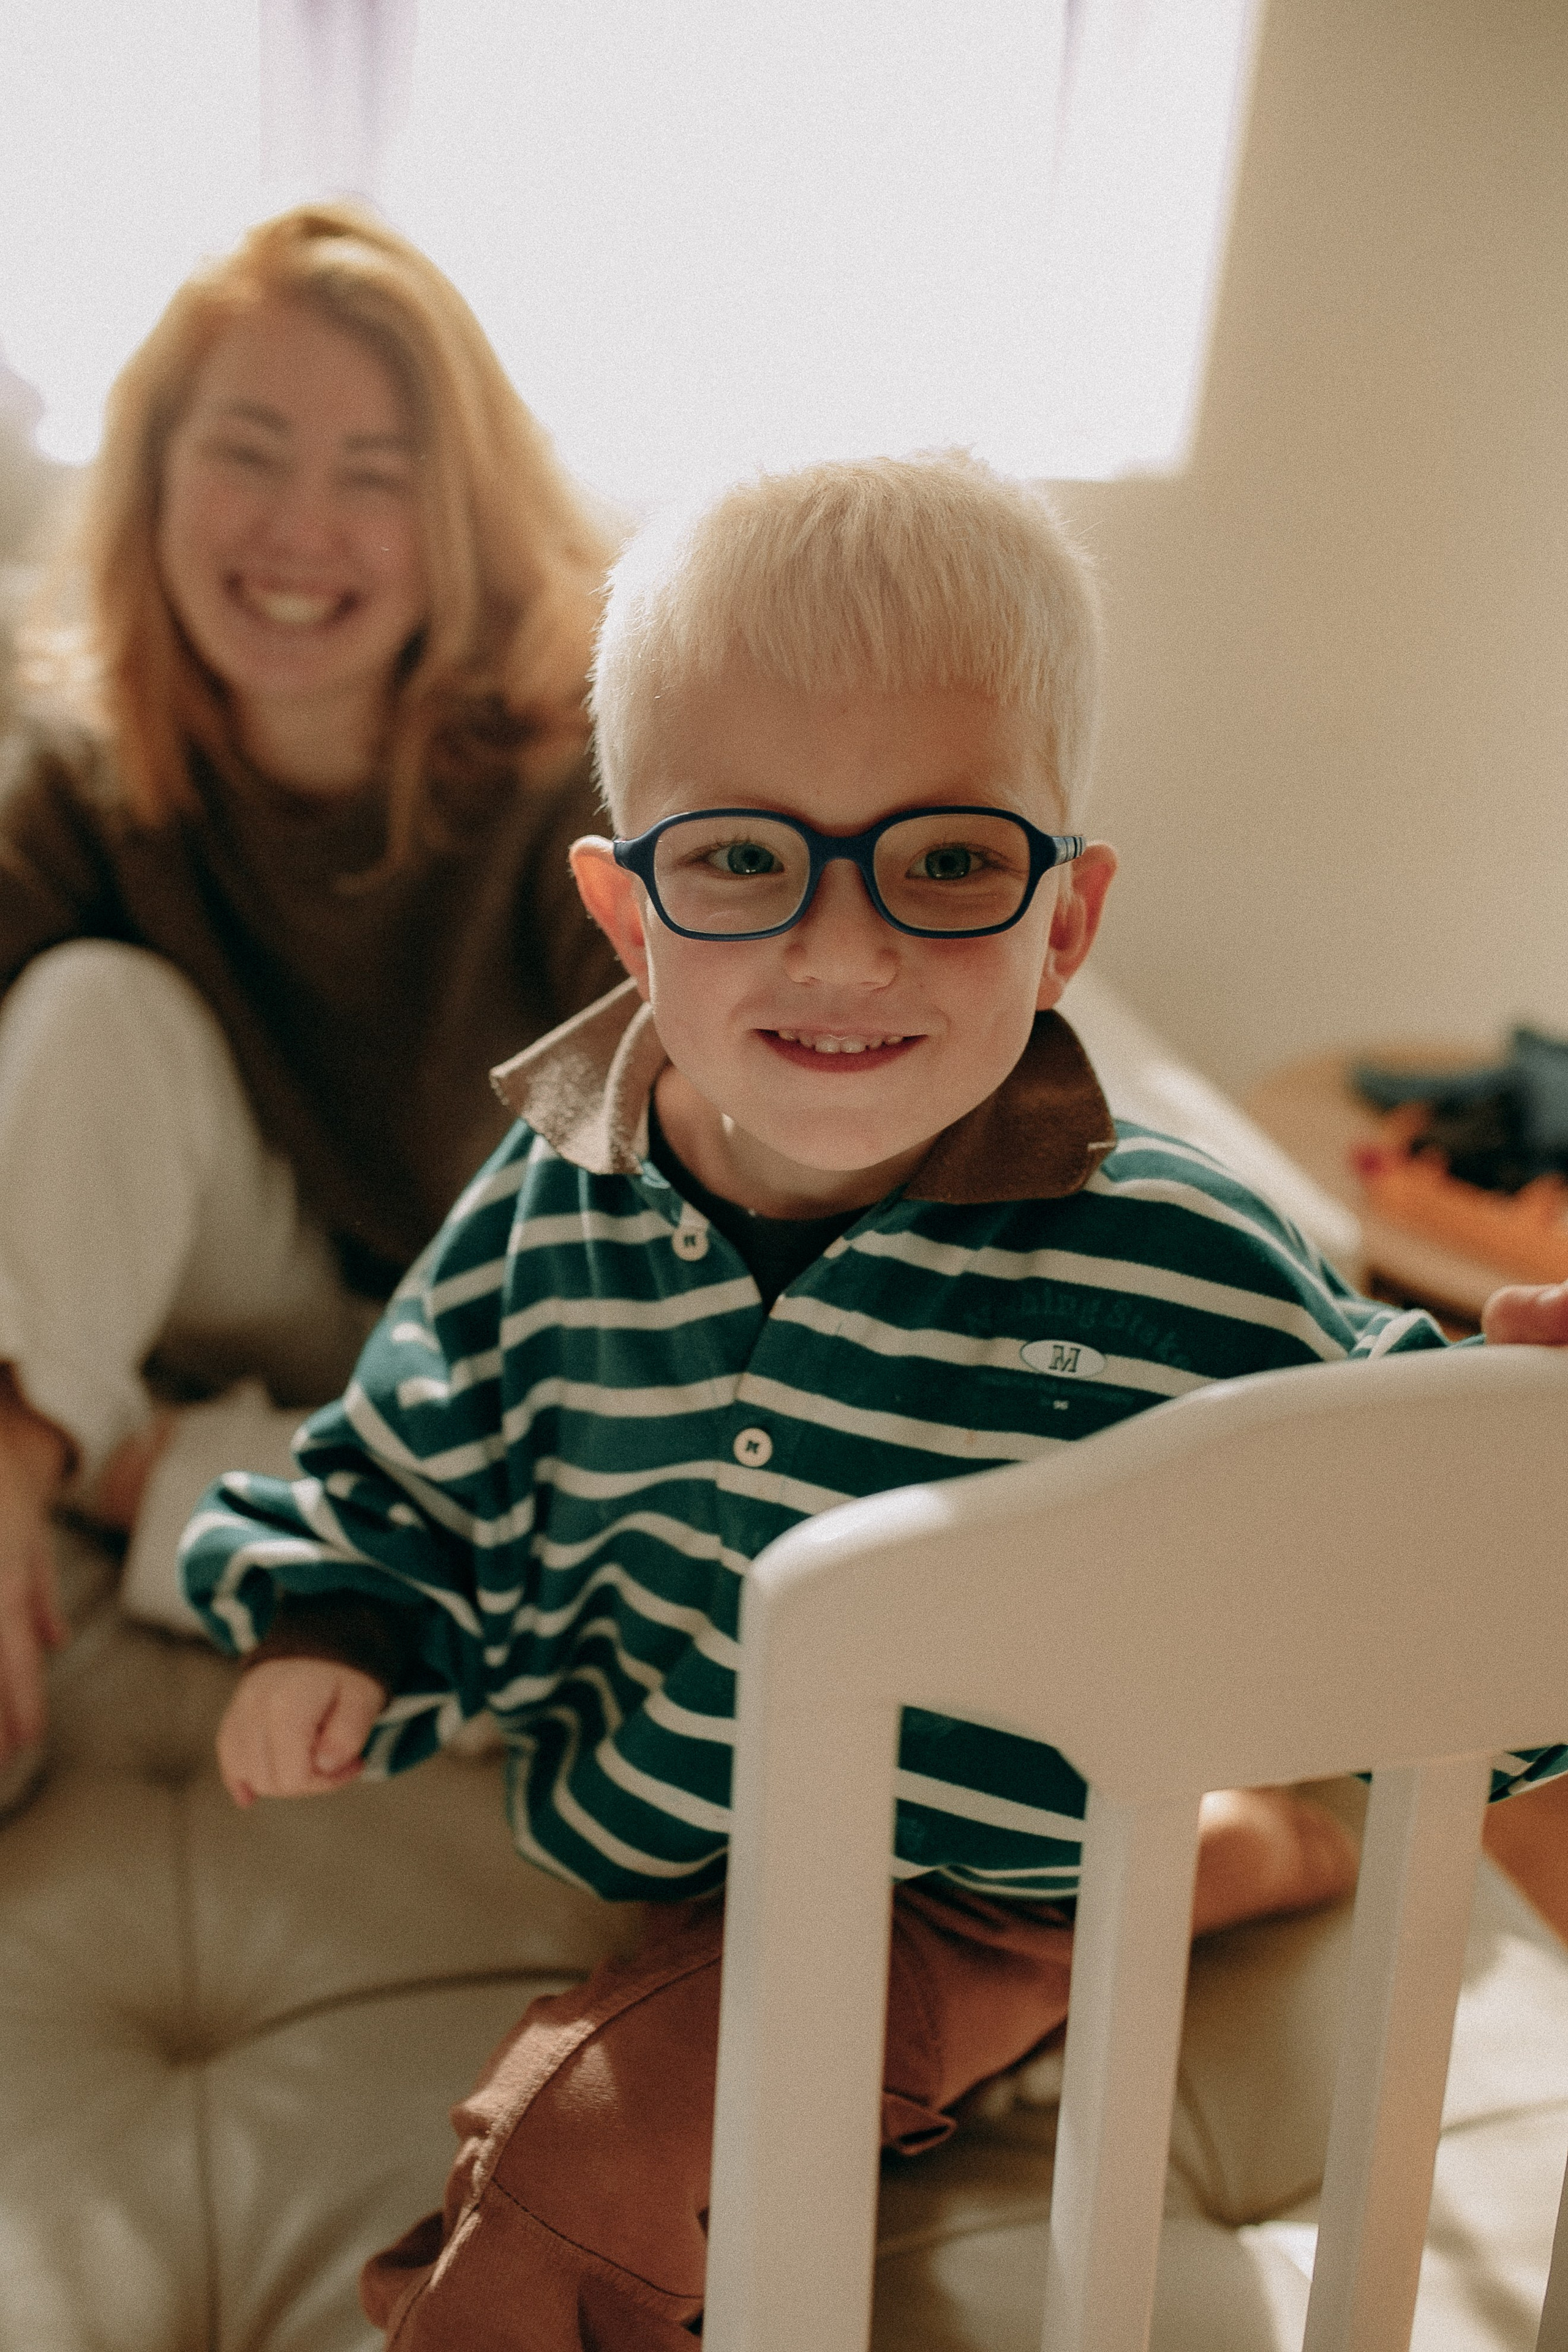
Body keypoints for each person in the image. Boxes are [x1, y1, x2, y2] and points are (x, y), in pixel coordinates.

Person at [181, 452, 1568, 2352]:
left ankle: (1199, 1853)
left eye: (946, 862)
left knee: (579, 2151)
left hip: (940, 1875)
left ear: (1065, 924)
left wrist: (1519, 1463)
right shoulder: (552, 1190)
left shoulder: (1172, 1253)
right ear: (622, 912)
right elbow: (421, 1435)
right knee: (1109, 1877)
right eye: (745, 860)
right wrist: (340, 1622)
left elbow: (1399, 1511)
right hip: (669, 1809)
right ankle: (1248, 1846)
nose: (847, 951)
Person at [0, 203, 623, 1792]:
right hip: (251, 1288)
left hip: (496, 1374)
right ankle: (32, 1470)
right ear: (152, 481)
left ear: (462, 514)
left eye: (377, 475)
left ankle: (143, 1484)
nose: (299, 527)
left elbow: (646, 1257)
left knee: (631, 1582)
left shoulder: (582, 783)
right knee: (86, 1013)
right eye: (249, 452)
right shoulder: (88, 778)